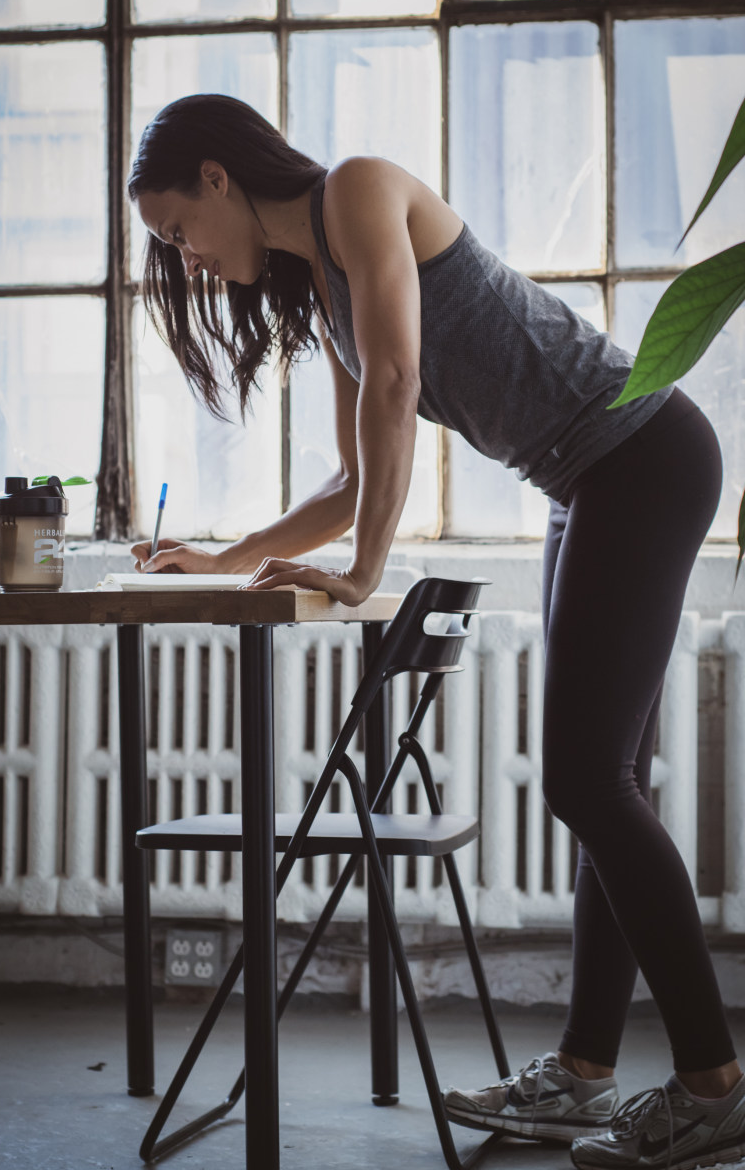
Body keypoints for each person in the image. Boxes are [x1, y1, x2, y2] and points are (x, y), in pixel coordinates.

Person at [128, 94, 745, 1170]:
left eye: (176, 229)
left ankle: (714, 1085)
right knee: (607, 786)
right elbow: (351, 473)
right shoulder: (320, 294)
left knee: (584, 783)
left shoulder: (359, 189)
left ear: (217, 177)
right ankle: (584, 1076)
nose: (182, 258)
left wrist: (367, 565)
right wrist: (225, 555)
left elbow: (400, 380)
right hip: (582, 481)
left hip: (641, 458)